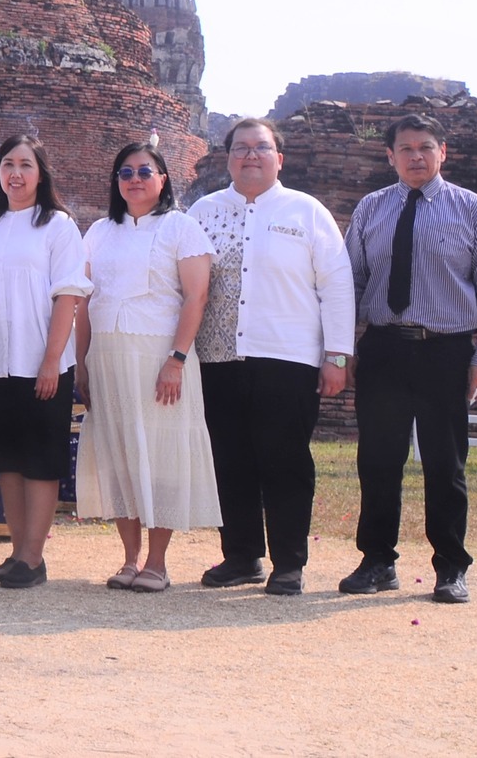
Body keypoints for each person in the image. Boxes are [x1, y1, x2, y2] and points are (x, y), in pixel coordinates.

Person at [340, 113, 477, 606]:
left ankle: (451, 567)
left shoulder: (471, 209)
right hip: (385, 347)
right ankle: (377, 561)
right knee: (377, 460)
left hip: (446, 349)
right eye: (406, 148)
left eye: (425, 147)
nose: (416, 156)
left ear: (443, 153)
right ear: (389, 156)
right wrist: (342, 348)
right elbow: (349, 283)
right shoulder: (371, 209)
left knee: (445, 463)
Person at [187, 118, 354, 596]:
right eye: (241, 148)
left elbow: (336, 285)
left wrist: (338, 356)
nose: (251, 156)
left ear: (279, 158)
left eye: (262, 148)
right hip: (218, 357)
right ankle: (240, 555)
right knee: (229, 460)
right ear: (228, 158)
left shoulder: (306, 212)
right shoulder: (204, 212)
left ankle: (288, 563)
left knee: (285, 462)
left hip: (288, 357)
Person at [74, 140, 218, 592]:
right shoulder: (98, 231)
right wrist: (80, 363)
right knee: (119, 453)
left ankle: (158, 562)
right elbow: (83, 299)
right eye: (126, 173)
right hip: (108, 356)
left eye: (144, 172)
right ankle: (129, 558)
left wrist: (176, 359)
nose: (134, 180)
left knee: (158, 456)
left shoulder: (181, 228)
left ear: (163, 179)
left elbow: (196, 297)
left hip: (159, 357)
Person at [0, 134, 89, 589]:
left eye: (26, 165)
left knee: (39, 460)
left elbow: (68, 295)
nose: (16, 173)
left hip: (41, 361)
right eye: (8, 164)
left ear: (41, 173)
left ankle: (34, 557)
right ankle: (18, 552)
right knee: (8, 461)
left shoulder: (58, 226)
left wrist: (52, 359)